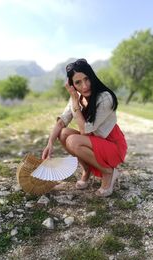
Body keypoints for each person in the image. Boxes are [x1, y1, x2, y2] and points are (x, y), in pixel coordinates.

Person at [42, 58, 127, 197]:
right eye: (78, 82)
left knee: (73, 141)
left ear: (92, 77)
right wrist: (50, 143)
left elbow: (84, 130)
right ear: (72, 85)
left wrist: (75, 103)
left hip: (112, 145)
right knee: (63, 133)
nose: (84, 86)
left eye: (87, 79)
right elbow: (62, 122)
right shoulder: (76, 96)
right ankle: (86, 170)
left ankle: (108, 172)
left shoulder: (105, 97)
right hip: (94, 142)